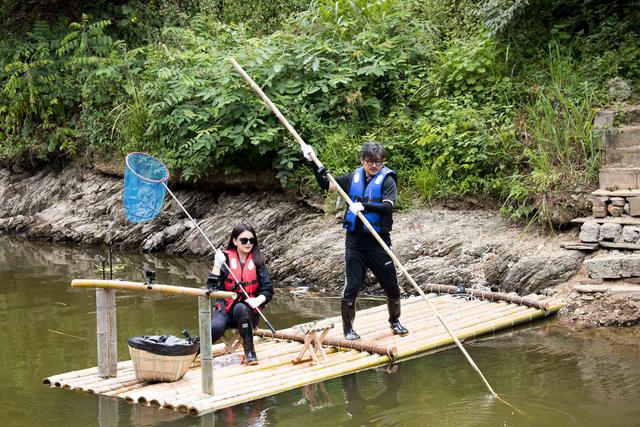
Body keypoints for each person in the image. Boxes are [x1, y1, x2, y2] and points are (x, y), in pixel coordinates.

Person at [303, 141, 409, 340]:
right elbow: (327, 184)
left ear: (382, 162)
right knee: (352, 286)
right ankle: (348, 329)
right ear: (362, 160)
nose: (374, 165)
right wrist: (313, 164)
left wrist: (364, 205)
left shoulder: (387, 180)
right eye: (369, 161)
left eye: (378, 162)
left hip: (378, 242)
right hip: (356, 244)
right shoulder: (354, 177)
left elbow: (387, 207)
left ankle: (394, 320)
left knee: (391, 286)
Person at [205, 223, 274, 365]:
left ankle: (250, 352)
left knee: (241, 308)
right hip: (225, 309)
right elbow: (211, 289)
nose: (248, 244)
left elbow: (268, 290)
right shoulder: (224, 260)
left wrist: (259, 300)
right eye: (244, 240)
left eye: (251, 240)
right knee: (216, 327)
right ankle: (194, 352)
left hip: (249, 313)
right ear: (235, 241)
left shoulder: (258, 261)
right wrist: (217, 265)